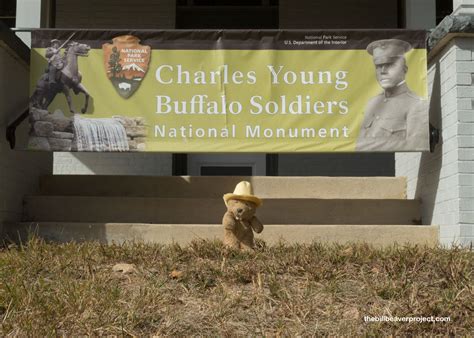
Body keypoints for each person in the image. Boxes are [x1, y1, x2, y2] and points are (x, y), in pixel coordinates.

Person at [356, 39, 429, 151]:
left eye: (390, 64)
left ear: (404, 69)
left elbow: (417, 145)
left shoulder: (416, 104)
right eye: (378, 66)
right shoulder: (372, 103)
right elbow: (359, 145)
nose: (383, 71)